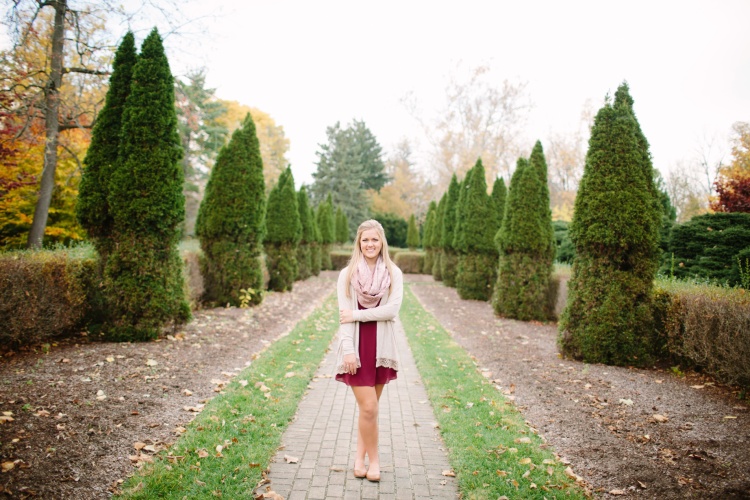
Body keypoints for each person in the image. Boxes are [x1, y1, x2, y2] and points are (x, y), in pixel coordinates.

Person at [334, 219, 403, 482]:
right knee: (370, 407)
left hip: (382, 346)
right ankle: (374, 462)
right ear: (359, 243)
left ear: (382, 242)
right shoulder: (348, 274)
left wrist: (356, 314)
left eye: (375, 239)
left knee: (369, 410)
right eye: (365, 240)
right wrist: (348, 351)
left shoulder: (393, 273)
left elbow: (391, 310)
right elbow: (344, 317)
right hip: (358, 348)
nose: (370, 244)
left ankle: (357, 459)